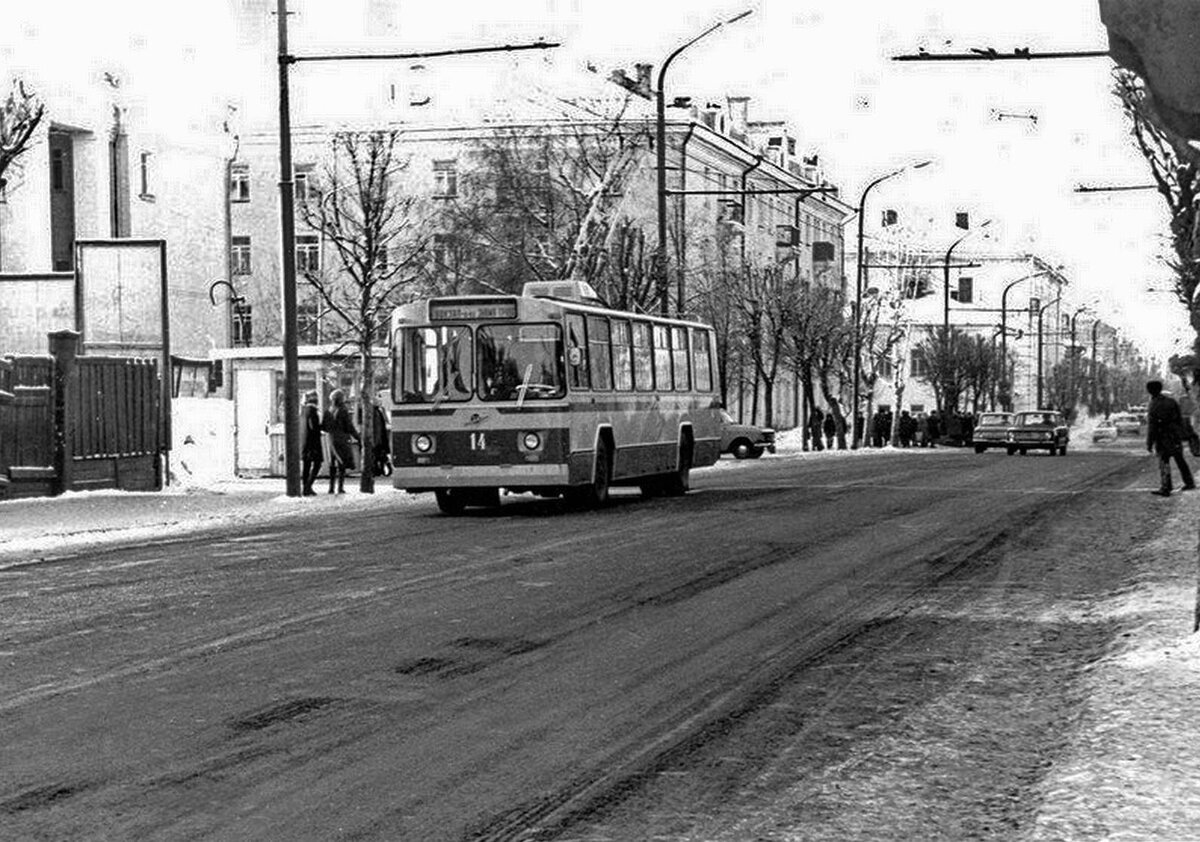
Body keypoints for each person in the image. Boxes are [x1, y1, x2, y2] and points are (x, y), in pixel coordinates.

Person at [1146, 379, 1195, 496]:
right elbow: (1180, 419)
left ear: (1150, 391)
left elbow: (1152, 426)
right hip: (1174, 436)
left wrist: (1149, 442)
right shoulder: (1171, 401)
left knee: (1164, 462)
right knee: (1180, 460)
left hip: (1162, 437)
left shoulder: (1153, 405)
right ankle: (1189, 482)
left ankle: (1166, 487)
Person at [322, 389, 360, 494]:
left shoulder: (328, 410)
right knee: (342, 464)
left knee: (332, 463)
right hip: (342, 439)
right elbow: (349, 426)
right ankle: (340, 487)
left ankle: (331, 487)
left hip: (331, 439)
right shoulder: (343, 410)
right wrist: (357, 437)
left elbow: (324, 427)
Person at [300, 391, 323, 496]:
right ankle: (307, 486)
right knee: (317, 464)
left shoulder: (303, 411)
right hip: (313, 443)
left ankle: (306, 486)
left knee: (306, 465)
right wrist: (321, 427)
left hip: (304, 442)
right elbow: (314, 427)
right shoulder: (312, 412)